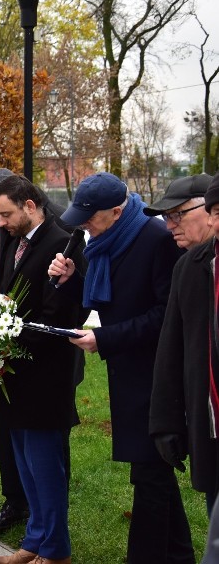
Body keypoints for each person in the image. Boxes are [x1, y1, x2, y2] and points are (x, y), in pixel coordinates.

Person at [48, 172, 193, 564]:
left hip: (154, 375)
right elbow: (110, 298)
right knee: (152, 471)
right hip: (127, 373)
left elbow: (166, 314)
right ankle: (179, 556)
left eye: (90, 217)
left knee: (150, 475)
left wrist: (105, 339)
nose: (82, 225)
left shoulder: (156, 239)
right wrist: (73, 281)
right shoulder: (103, 241)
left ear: (118, 210)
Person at [0, 167, 85, 532]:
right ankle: (35, 537)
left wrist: (5, 342)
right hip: (14, 372)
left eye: (6, 215)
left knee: (45, 465)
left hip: (45, 375)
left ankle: (51, 541)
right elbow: (7, 294)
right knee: (23, 460)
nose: (1, 223)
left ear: (31, 206)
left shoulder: (62, 242)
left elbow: (60, 315)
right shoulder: (15, 237)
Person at [149, 173, 218, 514]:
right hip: (211, 427)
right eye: (167, 217)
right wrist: (166, 422)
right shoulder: (188, 267)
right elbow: (172, 349)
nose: (169, 225)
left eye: (177, 214)